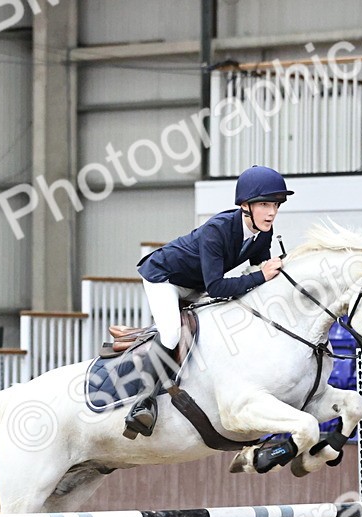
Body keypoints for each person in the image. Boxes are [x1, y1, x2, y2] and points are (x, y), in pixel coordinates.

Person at [123, 165, 294, 437]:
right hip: (165, 278)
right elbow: (217, 287)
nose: (272, 212)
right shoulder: (218, 230)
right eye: (264, 204)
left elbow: (260, 275)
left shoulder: (264, 233)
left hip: (196, 284)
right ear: (245, 205)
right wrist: (261, 275)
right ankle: (142, 402)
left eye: (275, 204)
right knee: (170, 334)